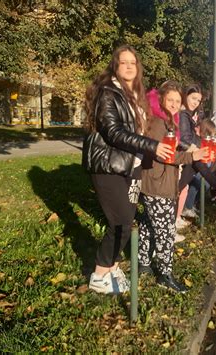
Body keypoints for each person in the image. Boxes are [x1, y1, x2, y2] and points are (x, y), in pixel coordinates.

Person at [82, 45, 174, 295]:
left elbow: (142, 127)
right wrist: (152, 146)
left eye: (133, 62)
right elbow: (114, 132)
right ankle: (100, 274)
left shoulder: (133, 94)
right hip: (108, 165)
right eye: (124, 62)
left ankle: (111, 266)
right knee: (120, 222)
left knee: (126, 220)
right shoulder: (108, 92)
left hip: (130, 165)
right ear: (115, 66)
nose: (129, 66)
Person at [138, 80, 207, 293]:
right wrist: (191, 156)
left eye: (178, 101)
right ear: (161, 99)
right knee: (166, 229)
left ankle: (143, 263)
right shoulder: (158, 122)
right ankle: (165, 274)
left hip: (160, 181)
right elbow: (167, 155)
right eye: (171, 100)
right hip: (157, 182)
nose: (175, 104)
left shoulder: (168, 121)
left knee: (149, 223)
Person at [175, 84, 203, 233]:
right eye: (193, 98)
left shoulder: (189, 115)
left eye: (198, 100)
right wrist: (195, 149)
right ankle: (172, 224)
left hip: (184, 155)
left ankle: (176, 219)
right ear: (185, 96)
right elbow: (184, 139)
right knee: (178, 189)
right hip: (180, 156)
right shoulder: (183, 114)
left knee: (183, 188)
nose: (195, 102)